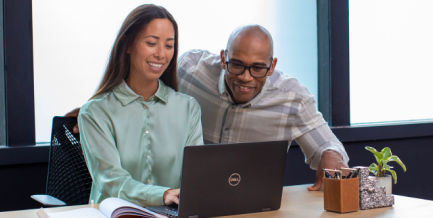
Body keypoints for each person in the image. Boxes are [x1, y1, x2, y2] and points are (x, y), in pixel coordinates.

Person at [68, 25, 348, 192]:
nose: (246, 77)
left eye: (258, 68)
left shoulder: (292, 98)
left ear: (272, 66)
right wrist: (101, 106)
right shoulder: (191, 69)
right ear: (224, 57)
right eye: (236, 64)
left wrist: (331, 156)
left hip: (247, 206)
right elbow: (143, 82)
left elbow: (327, 144)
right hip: (183, 198)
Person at [77, 4, 203, 207]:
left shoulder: (189, 108)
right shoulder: (94, 112)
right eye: (152, 43)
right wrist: (164, 194)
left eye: (169, 46)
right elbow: (112, 181)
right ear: (127, 44)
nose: (161, 54)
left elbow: (197, 177)